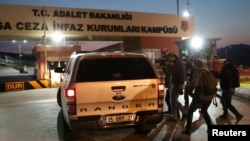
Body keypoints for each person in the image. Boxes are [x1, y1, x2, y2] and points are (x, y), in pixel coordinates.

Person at [182, 59, 214, 135]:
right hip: (210, 95)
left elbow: (195, 84)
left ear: (195, 65)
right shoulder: (207, 71)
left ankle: (188, 129)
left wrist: (188, 89)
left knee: (190, 111)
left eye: (194, 64)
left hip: (201, 96)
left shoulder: (197, 72)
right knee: (204, 111)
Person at [219, 58, 243, 122]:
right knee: (223, 100)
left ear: (227, 62)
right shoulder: (234, 68)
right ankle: (225, 114)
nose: (224, 62)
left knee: (227, 103)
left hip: (227, 88)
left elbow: (221, 75)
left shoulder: (226, 68)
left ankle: (238, 115)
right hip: (232, 88)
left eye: (225, 61)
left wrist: (214, 72)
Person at [166, 52, 187, 122]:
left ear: (173, 57)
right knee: (173, 100)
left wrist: (169, 66)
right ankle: (175, 116)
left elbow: (175, 72)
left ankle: (183, 112)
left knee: (173, 100)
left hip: (178, 84)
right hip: (177, 83)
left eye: (169, 57)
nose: (168, 59)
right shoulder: (178, 62)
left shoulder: (178, 63)